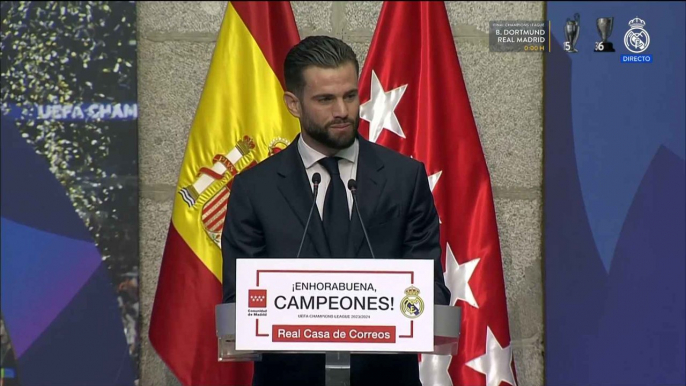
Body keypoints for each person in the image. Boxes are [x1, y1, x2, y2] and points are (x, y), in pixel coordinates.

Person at [222, 35, 451, 386]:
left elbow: (430, 284)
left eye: (350, 95)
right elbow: (240, 298)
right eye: (325, 99)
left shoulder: (405, 177)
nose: (342, 111)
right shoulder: (255, 189)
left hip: (386, 378)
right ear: (293, 104)